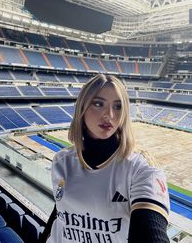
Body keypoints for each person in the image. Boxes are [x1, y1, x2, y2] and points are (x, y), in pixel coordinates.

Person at [39, 74, 170, 243]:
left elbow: (150, 231)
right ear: (82, 108)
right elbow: (60, 212)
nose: (109, 115)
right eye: (98, 104)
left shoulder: (141, 168)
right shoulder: (61, 161)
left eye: (118, 106)